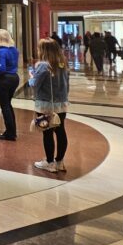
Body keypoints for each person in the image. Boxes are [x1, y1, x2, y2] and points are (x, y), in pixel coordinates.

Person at [29, 38, 70, 172]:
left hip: (45, 104)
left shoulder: (43, 65)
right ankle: (60, 161)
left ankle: (49, 162)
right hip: (61, 103)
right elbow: (66, 84)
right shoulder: (62, 63)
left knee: (47, 132)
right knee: (60, 131)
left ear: (44, 50)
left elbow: (35, 84)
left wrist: (31, 76)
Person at [0, 29, 20, 140]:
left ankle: (10, 133)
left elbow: (1, 68)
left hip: (3, 79)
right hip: (14, 78)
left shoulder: (1, 51)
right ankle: (11, 131)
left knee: (5, 106)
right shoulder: (14, 50)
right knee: (8, 105)